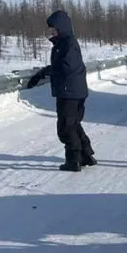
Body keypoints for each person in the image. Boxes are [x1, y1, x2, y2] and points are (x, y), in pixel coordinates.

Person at [26, 9, 94, 171]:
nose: (52, 32)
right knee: (73, 123)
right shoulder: (65, 42)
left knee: (65, 127)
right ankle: (86, 154)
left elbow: (66, 66)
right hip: (74, 90)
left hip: (69, 91)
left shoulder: (67, 43)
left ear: (61, 27)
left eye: (54, 28)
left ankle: (73, 160)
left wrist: (44, 72)